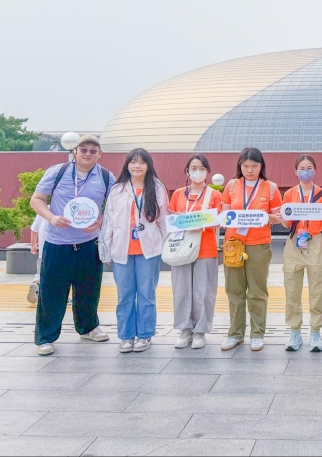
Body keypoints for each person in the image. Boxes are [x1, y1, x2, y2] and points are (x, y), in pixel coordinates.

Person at [30, 134, 115, 356]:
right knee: (51, 292)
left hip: (89, 243)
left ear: (100, 154)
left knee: (89, 289)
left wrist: (101, 220)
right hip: (57, 242)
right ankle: (45, 337)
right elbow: (36, 199)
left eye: (93, 151)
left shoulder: (106, 177)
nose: (87, 154)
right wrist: (51, 218)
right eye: (83, 150)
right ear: (75, 152)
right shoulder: (57, 172)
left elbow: (116, 205)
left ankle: (88, 328)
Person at [100, 149, 168, 353]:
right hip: (122, 249)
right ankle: (126, 336)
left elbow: (164, 220)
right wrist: (105, 250)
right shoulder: (118, 189)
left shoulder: (157, 187)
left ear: (148, 166)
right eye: (133, 162)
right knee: (125, 295)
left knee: (147, 294)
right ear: (127, 165)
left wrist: (167, 246)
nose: (137, 166)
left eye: (142, 162)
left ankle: (145, 335)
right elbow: (108, 221)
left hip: (149, 249)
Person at [221, 147, 283, 353]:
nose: (249, 170)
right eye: (245, 166)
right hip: (233, 243)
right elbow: (224, 216)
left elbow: (278, 218)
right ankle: (235, 334)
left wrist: (263, 217)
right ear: (239, 166)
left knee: (257, 291)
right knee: (234, 290)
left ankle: (257, 334)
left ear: (261, 166)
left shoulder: (270, 188)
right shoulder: (232, 186)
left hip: (259, 244)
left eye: (254, 166)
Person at [280, 155, 322, 352]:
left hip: (315, 242)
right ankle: (295, 332)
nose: (306, 171)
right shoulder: (289, 194)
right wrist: (283, 220)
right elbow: (287, 222)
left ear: (315, 170)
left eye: (309, 167)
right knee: (292, 290)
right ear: (296, 171)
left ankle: (315, 332)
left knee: (317, 289)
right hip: (294, 243)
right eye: (302, 168)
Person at [168, 155, 223, 350]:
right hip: (181, 247)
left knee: (203, 291)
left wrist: (202, 223)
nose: (197, 172)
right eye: (193, 168)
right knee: (181, 289)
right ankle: (185, 329)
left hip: (205, 248)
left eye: (201, 168)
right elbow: (171, 220)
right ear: (187, 171)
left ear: (207, 171)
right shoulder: (178, 194)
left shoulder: (214, 195)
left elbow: (220, 220)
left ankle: (200, 331)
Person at [27, 214, 47, 305]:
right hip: (57, 252)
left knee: (40, 274)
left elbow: (34, 230)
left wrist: (33, 245)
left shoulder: (42, 212)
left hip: (42, 254)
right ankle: (62, 298)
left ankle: (36, 284)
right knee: (60, 277)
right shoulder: (61, 210)